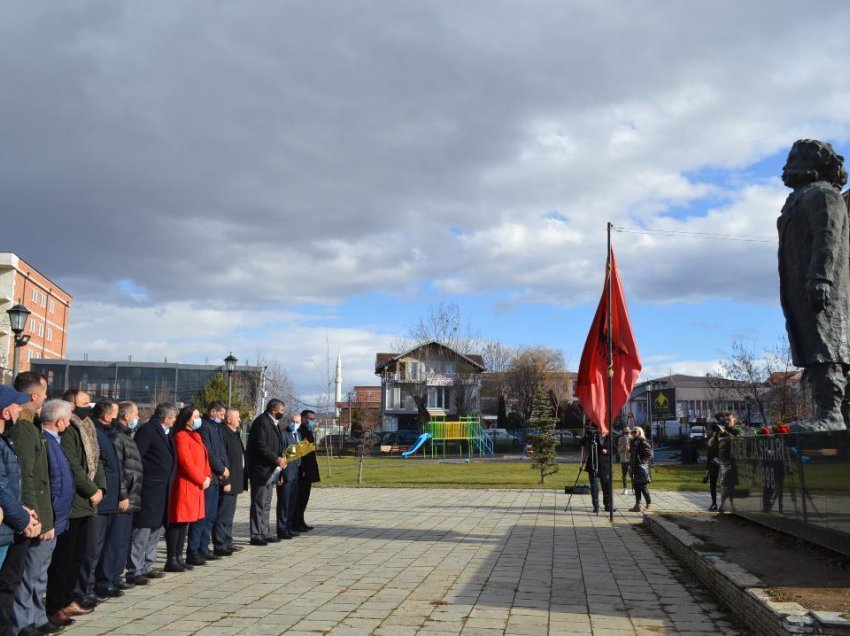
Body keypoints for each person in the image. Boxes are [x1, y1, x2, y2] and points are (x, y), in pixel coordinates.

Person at [778, 139, 850, 430]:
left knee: (825, 347)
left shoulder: (824, 195)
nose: (787, 164)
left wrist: (820, 278)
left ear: (814, 164)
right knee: (812, 346)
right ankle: (833, 412)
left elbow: (827, 239)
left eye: (795, 157)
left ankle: (830, 414)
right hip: (800, 285)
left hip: (821, 287)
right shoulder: (799, 198)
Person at [48, 392, 104, 618]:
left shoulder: (88, 428)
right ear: (70, 405)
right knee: (64, 558)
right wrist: (91, 490)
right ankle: (56, 604)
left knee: (80, 556)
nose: (88, 408)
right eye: (83, 404)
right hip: (76, 502)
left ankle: (69, 598)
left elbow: (96, 460)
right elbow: (72, 465)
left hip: (90, 502)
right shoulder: (68, 430)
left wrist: (100, 488)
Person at [8, 373, 55, 635]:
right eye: (45, 391)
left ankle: (33, 619)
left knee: (36, 575)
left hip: (40, 513)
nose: (47, 397)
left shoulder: (31, 425)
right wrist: (34, 518)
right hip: (31, 515)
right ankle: (21, 624)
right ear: (34, 395)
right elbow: (27, 476)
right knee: (25, 576)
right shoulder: (25, 429)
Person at [0, 385, 42, 636]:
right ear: (5, 412)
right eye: (15, 405)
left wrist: (22, 509)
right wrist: (23, 518)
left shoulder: (6, 439)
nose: (20, 408)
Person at [33, 400, 76, 634]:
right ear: (60, 421)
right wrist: (49, 521)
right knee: (37, 575)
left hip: (57, 519)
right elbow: (49, 485)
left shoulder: (54, 442)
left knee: (42, 573)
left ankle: (39, 617)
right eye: (68, 419)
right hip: (49, 520)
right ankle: (36, 619)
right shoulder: (46, 443)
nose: (69, 423)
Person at [127, 403, 176, 582]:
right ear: (167, 418)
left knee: (157, 528)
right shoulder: (148, 430)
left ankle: (148, 564)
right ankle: (134, 569)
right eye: (174, 417)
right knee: (143, 529)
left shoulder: (165, 432)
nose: (175, 420)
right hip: (149, 488)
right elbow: (137, 456)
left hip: (163, 490)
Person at [85, 401, 124, 602]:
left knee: (106, 545)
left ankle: (102, 582)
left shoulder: (109, 433)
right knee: (93, 548)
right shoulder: (97, 434)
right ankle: (88, 588)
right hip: (101, 499)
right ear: (107, 416)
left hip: (111, 498)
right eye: (116, 413)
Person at [167, 406, 211, 572]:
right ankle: (172, 558)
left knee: (185, 523)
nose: (198, 419)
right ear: (186, 419)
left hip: (196, 485)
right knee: (178, 522)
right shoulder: (180, 436)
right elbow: (186, 463)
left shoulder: (196, 436)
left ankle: (179, 557)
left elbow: (204, 459)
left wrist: (207, 476)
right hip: (185, 485)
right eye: (195, 416)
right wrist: (201, 479)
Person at [188, 402, 229, 564]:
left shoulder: (216, 427)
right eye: (220, 415)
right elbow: (209, 453)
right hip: (208, 477)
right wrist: (220, 469)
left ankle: (204, 547)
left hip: (216, 478)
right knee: (201, 517)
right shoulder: (204, 427)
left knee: (210, 516)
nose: (222, 418)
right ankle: (195, 548)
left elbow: (221, 451)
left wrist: (225, 469)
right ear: (212, 412)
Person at [108, 401, 143, 590]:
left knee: (122, 540)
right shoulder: (117, 437)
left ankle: (116, 576)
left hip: (132, 494)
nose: (138, 418)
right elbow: (119, 469)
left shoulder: (127, 435)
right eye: (136, 414)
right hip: (125, 496)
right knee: (115, 540)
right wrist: (123, 495)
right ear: (126, 416)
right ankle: (109, 577)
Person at [245, 400, 287, 546]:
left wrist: (280, 461)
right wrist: (276, 459)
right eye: (281, 409)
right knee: (259, 503)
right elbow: (261, 446)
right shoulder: (261, 422)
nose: (283, 412)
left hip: (270, 471)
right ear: (273, 410)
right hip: (260, 470)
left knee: (267, 503)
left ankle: (265, 531)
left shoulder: (273, 423)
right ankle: (256, 534)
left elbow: (276, 446)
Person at [212, 408, 245, 556]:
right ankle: (220, 544)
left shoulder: (234, 433)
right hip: (227, 480)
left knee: (229, 514)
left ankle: (228, 541)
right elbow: (223, 458)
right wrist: (226, 480)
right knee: (223, 514)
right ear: (229, 419)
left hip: (237, 479)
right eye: (237, 418)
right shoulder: (222, 433)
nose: (239, 421)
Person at [276, 413, 302, 539]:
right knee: (284, 503)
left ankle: (289, 527)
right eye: (293, 421)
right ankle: (282, 529)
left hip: (295, 473)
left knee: (292, 502)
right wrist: (280, 475)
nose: (295, 424)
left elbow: (298, 453)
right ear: (289, 421)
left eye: (297, 422)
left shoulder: (298, 435)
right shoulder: (283, 434)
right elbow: (280, 453)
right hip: (285, 474)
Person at [580, 425, 613, 514]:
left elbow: (614, 450)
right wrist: (587, 434)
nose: (602, 431)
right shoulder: (592, 437)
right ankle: (596, 506)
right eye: (600, 429)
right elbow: (582, 443)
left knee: (606, 486)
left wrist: (607, 451)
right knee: (594, 487)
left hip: (605, 466)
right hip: (593, 465)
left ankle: (608, 505)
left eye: (604, 429)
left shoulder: (609, 438)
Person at [717, 412, 742, 513]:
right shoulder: (724, 430)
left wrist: (725, 433)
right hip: (724, 460)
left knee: (729, 485)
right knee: (726, 485)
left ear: (734, 421)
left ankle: (724, 506)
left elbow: (738, 440)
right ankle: (727, 506)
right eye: (726, 420)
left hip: (734, 462)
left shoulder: (737, 430)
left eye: (729, 420)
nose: (727, 422)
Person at [628, 427, 654, 512]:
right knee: (636, 486)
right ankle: (637, 505)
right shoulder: (633, 441)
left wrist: (642, 462)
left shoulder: (643, 441)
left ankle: (649, 504)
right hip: (634, 466)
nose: (633, 433)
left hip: (641, 467)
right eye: (632, 432)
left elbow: (649, 454)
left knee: (643, 486)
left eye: (635, 432)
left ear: (640, 432)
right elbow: (632, 454)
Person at [705, 421, 722, 511]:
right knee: (713, 484)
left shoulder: (723, 436)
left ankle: (723, 503)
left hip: (722, 465)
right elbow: (709, 454)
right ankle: (714, 503)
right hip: (713, 465)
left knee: (723, 485)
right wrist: (707, 470)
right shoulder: (711, 438)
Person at [617, 425, 631, 495]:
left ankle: (634, 488)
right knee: (624, 474)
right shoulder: (620, 439)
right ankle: (625, 488)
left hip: (631, 459)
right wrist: (623, 448)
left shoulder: (632, 438)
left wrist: (629, 448)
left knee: (632, 474)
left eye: (627, 430)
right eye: (625, 430)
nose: (626, 432)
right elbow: (619, 450)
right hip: (624, 459)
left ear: (630, 430)